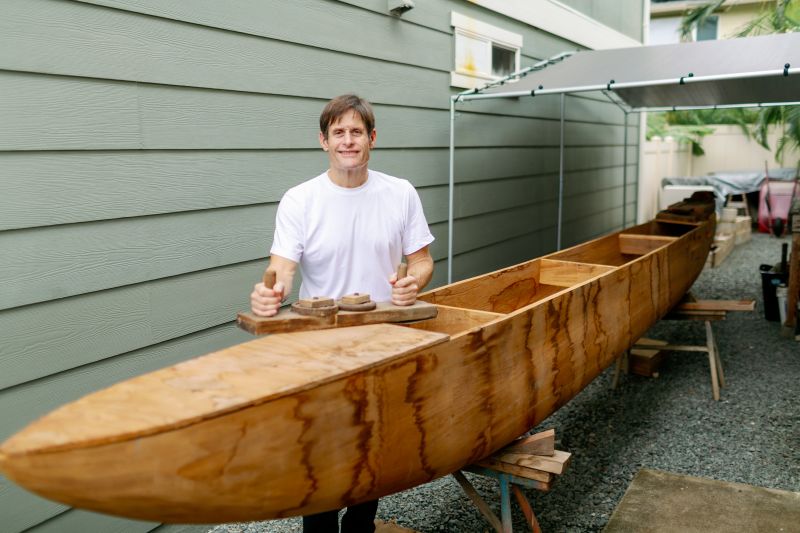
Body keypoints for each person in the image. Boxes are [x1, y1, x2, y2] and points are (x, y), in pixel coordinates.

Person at [249, 94, 435, 532]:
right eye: (339, 133)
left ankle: (360, 525)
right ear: (323, 141)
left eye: (356, 132)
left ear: (372, 139)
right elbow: (282, 267)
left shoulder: (400, 193)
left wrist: (414, 282)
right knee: (319, 448)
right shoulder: (300, 200)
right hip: (321, 345)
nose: (348, 141)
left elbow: (422, 259)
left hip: (383, 340)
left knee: (374, 444)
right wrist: (268, 293)